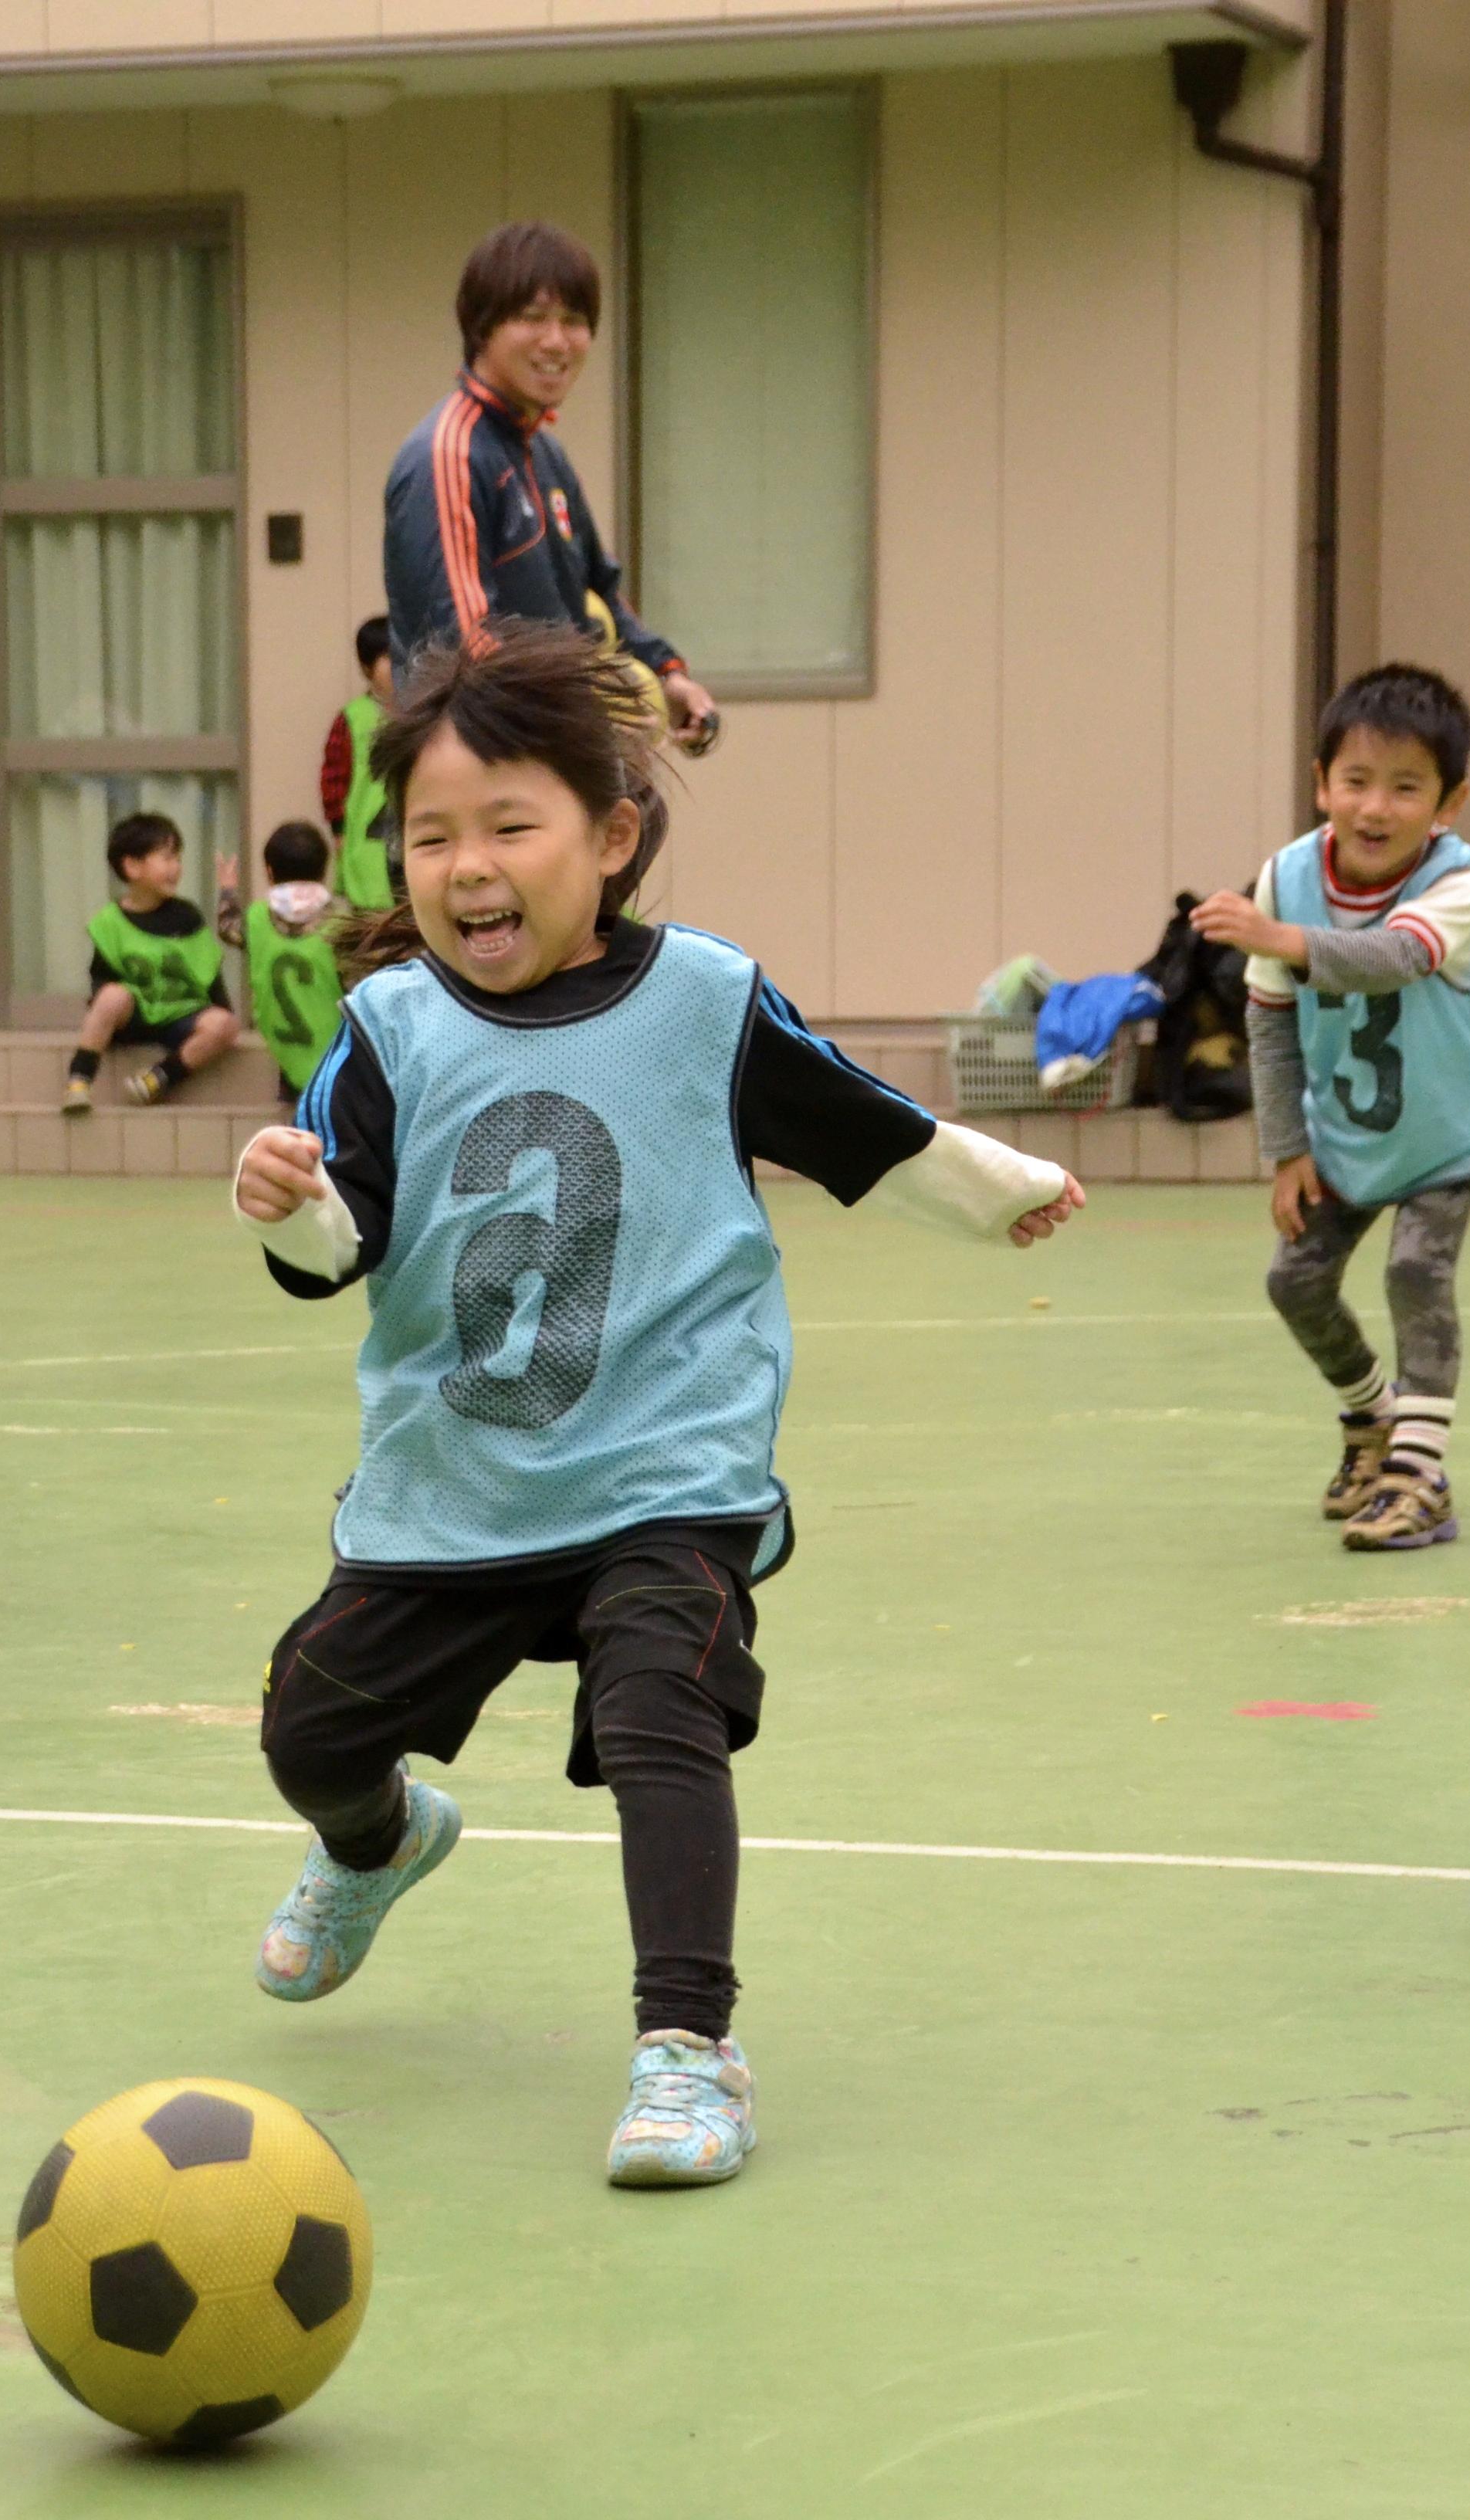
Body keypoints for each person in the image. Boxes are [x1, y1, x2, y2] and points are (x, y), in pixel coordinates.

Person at [228, 624, 1081, 2186]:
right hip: (455, 1490)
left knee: (656, 1712)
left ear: (612, 838)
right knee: (305, 1729)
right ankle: (378, 1840)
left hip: (661, 1470)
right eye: (430, 837)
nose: (465, 866)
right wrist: (287, 1202)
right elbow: (330, 1253)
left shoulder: (701, 999)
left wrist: (995, 1189)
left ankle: (688, 2050)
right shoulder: (387, 1031)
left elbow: (854, 1123)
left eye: (507, 827)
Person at [1190, 663, 1470, 1553]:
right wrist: (1286, 1147)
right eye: (1355, 782)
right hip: (1348, 1131)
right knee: (1291, 1280)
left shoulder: (1457, 885)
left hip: (1449, 1130)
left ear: (1447, 801)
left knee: (1416, 1271)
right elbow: (1268, 1022)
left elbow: (1390, 958)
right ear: (1320, 784)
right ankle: (1369, 1420)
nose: (1375, 808)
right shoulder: (1287, 876)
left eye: (1405, 787)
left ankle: (1420, 1478)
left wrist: (1281, 939)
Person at [382, 222, 719, 755]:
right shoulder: (448, 454)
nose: (557, 341)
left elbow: (596, 592)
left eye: (574, 320)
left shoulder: (543, 452)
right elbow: (464, 648)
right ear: (481, 326)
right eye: (533, 318)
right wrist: (595, 706)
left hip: (548, 760)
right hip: (475, 775)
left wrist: (665, 674)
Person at [62, 811, 244, 1112]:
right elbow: (100, 981)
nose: (177, 868)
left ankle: (158, 1079)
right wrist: (106, 1016)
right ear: (132, 866)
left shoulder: (186, 916)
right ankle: (79, 1080)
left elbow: (208, 969)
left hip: (179, 1016)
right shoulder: (110, 922)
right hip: (134, 1016)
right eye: (167, 858)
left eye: (178, 859)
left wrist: (221, 1013)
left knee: (224, 1024)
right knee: (110, 996)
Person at [229, 818, 345, 1099]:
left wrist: (226, 891)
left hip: (285, 1051)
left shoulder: (256, 919)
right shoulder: (343, 924)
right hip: (336, 1060)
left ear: (269, 872)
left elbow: (226, 927)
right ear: (324, 870)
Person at [320, 615, 398, 911]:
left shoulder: (424, 712)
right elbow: (334, 780)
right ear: (367, 668)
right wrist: (338, 831)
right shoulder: (352, 718)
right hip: (367, 842)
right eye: (390, 658)